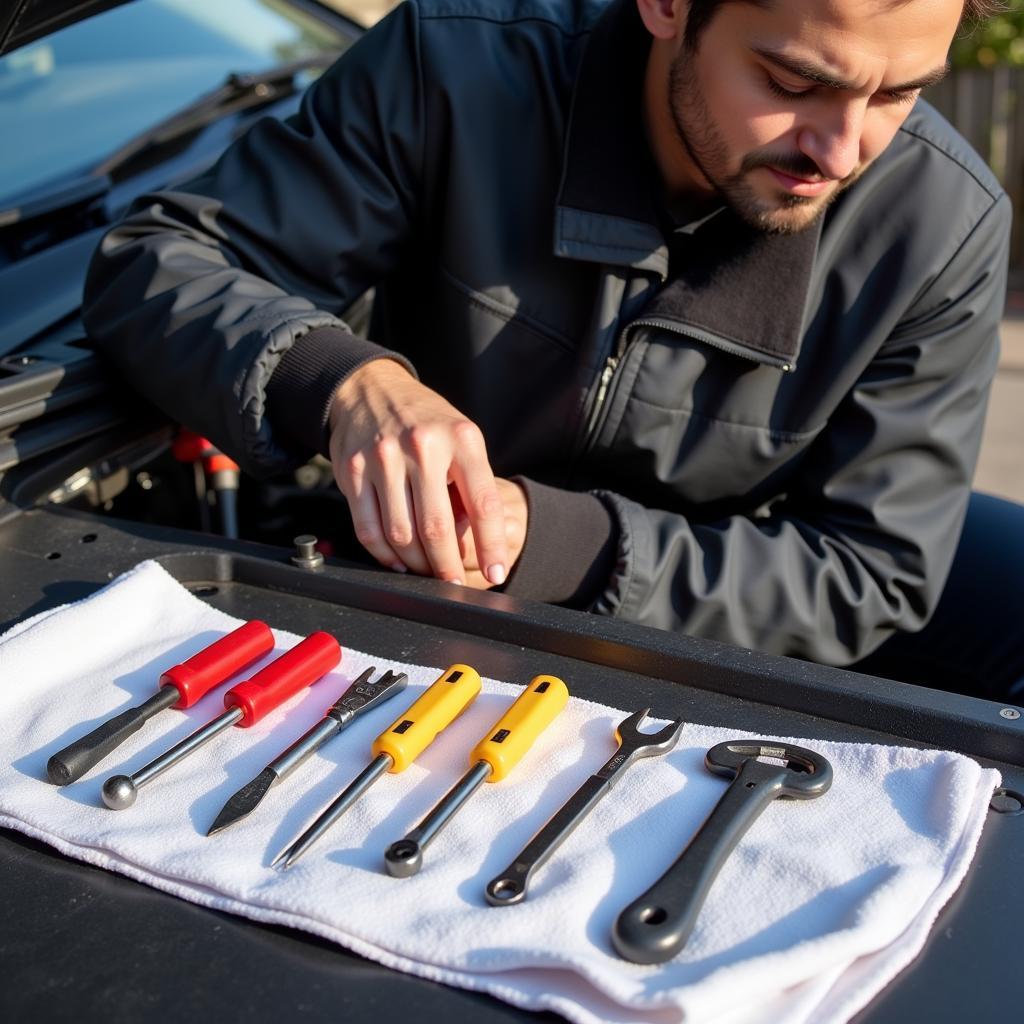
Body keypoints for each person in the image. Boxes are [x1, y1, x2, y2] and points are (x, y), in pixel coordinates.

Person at [83, 0, 1023, 699]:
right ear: (666, 6)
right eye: (791, 83)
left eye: (899, 94)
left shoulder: (940, 224)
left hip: (694, 614)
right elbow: (153, 264)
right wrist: (342, 380)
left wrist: (567, 543)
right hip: (397, 584)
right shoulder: (454, 65)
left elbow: (872, 571)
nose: (844, 150)